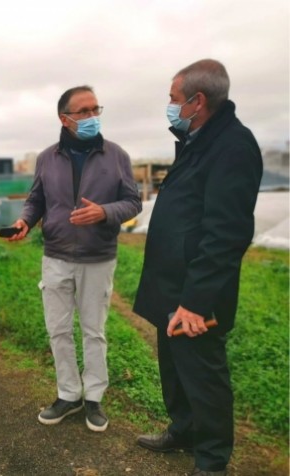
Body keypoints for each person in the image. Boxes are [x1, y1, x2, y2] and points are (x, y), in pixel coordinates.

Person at [133, 59, 262, 476]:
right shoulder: (197, 139)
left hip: (195, 294)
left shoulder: (233, 146)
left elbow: (226, 234)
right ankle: (183, 431)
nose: (169, 106)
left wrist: (195, 300)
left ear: (197, 101)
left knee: (203, 375)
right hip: (171, 285)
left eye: (173, 99)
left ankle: (211, 460)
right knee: (173, 367)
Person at [8, 85, 141, 432]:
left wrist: (105, 212)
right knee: (58, 330)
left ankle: (94, 397)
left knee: (94, 331)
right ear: (64, 118)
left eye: (96, 109)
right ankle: (68, 394)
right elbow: (36, 199)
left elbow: (133, 202)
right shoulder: (47, 157)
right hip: (56, 256)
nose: (92, 116)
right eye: (83, 111)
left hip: (98, 258)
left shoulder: (116, 156)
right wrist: (25, 220)